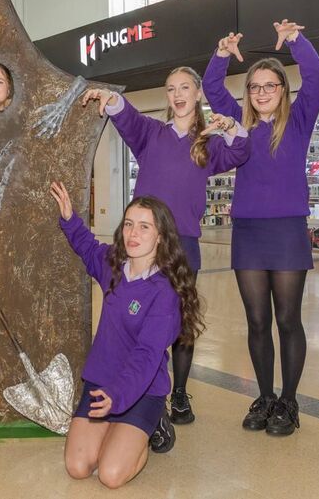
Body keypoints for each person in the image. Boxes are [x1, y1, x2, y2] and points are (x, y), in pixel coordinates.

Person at [80, 69, 249, 435]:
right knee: (139, 324)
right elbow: (128, 117)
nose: (177, 94)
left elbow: (241, 150)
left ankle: (181, 394)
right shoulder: (152, 135)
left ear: (198, 92)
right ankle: (145, 400)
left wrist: (231, 124)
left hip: (183, 246)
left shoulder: (207, 145)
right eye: (170, 89)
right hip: (143, 246)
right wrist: (109, 98)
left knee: (180, 326)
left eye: (184, 87)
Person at [202, 20, 319, 436]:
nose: (261, 93)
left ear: (282, 90)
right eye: (254, 87)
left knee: (288, 320)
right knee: (257, 321)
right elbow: (212, 88)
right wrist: (221, 55)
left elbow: (318, 76)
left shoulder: (300, 121)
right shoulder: (241, 127)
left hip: (288, 231)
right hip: (249, 233)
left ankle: (289, 402)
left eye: (269, 86)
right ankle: (265, 396)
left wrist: (296, 40)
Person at [52, 183, 204, 489]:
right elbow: (87, 248)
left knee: (110, 475)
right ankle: (118, 430)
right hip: (102, 380)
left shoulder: (165, 292)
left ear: (161, 237)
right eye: (129, 225)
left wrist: (118, 397)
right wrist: (70, 218)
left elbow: (147, 356)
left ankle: (151, 424)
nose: (133, 234)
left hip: (142, 388)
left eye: (144, 227)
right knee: (78, 467)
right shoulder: (114, 266)